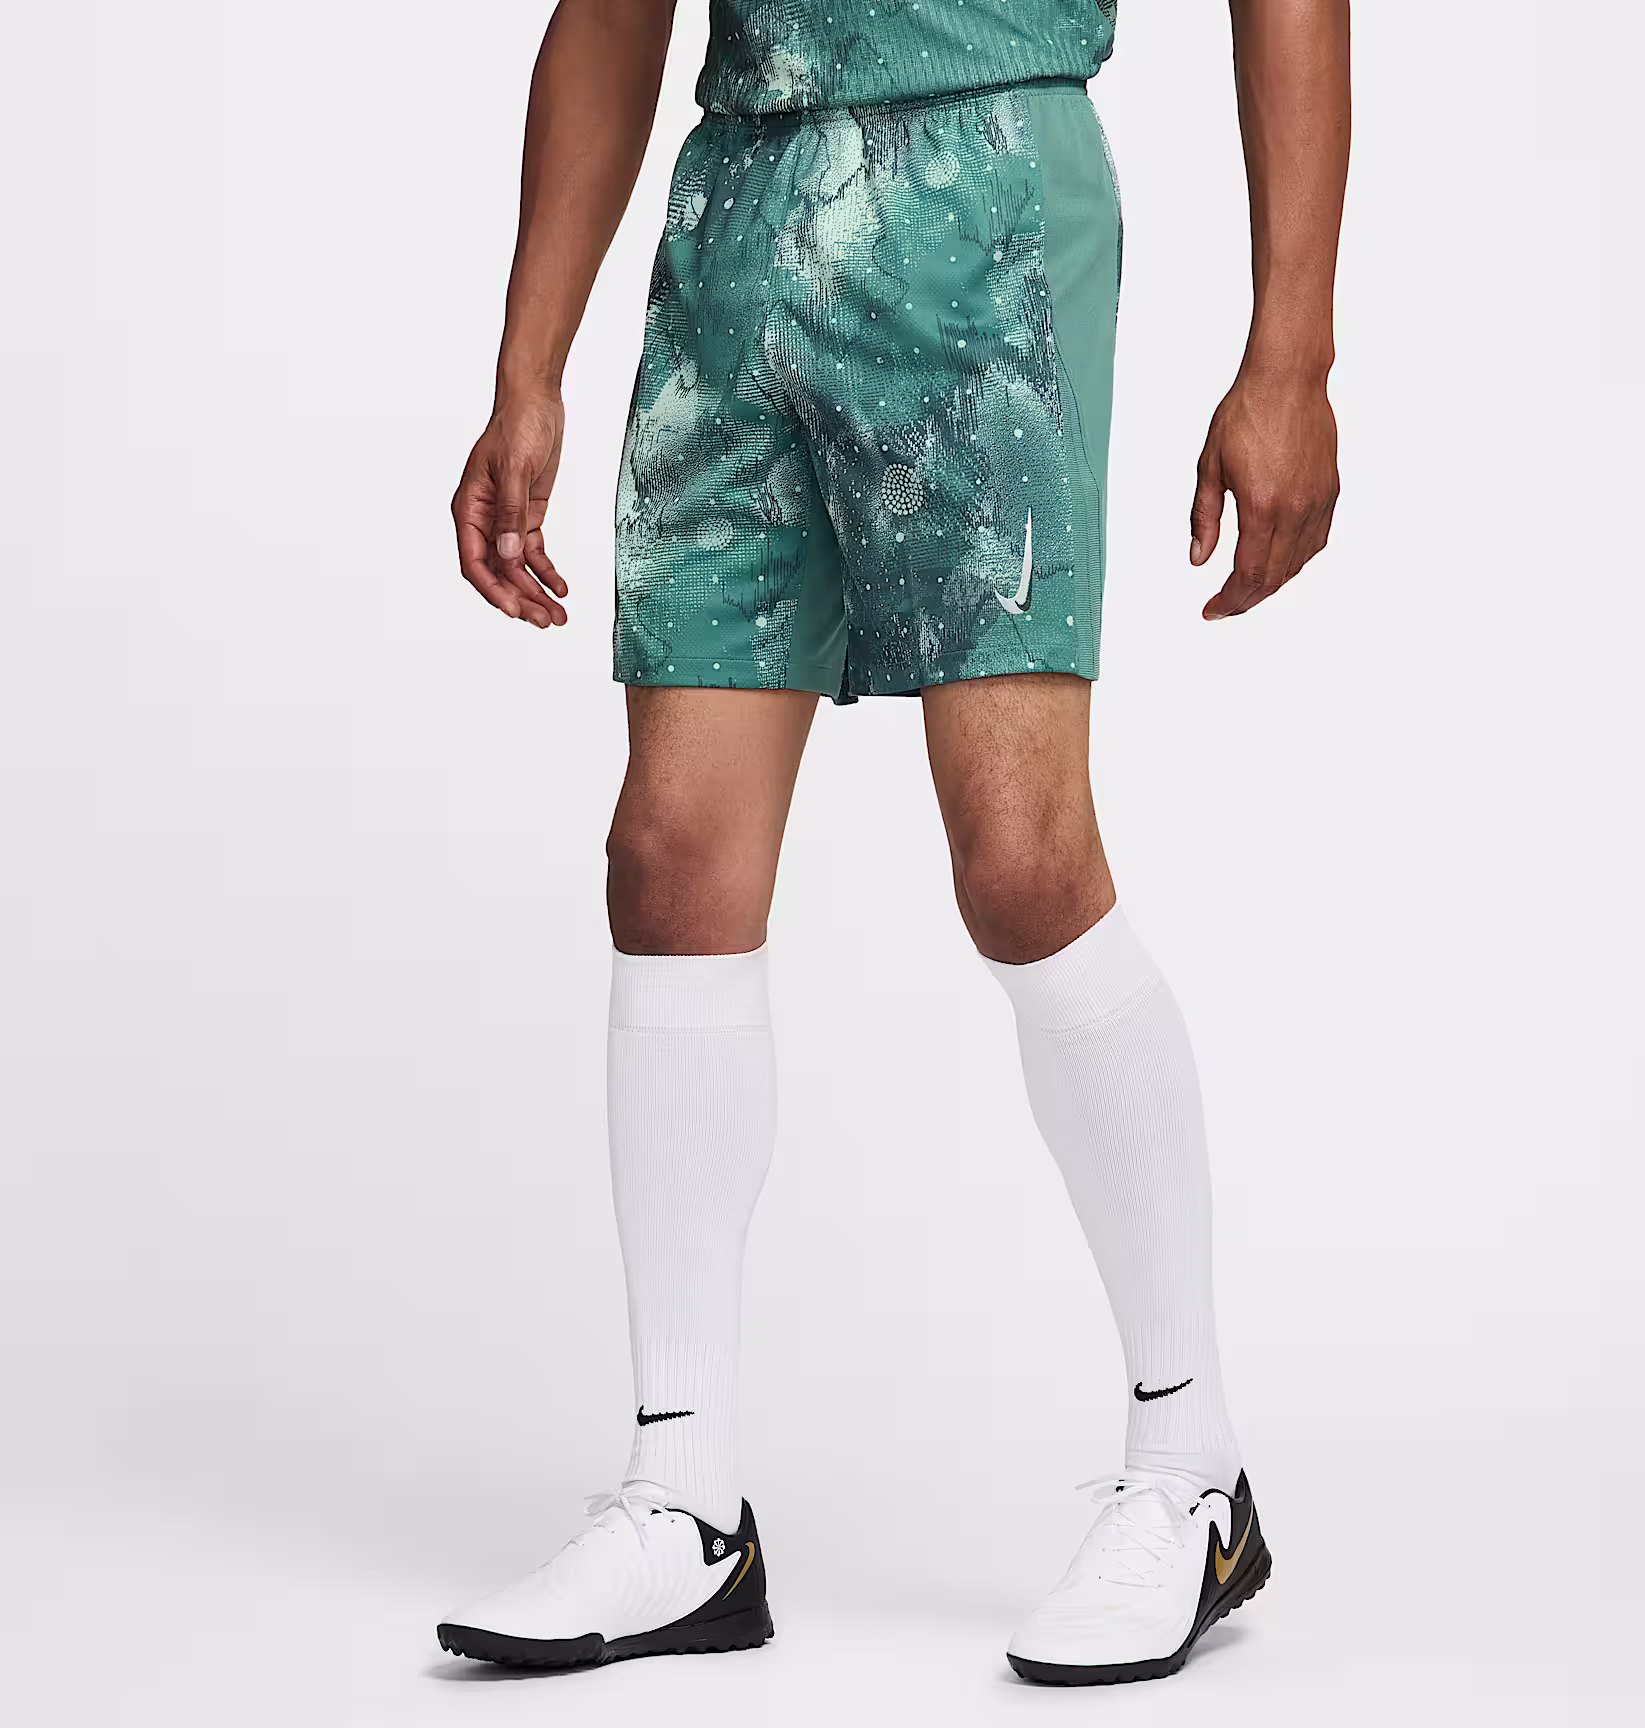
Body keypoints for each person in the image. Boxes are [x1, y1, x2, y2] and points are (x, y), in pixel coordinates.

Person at [436, 0, 1347, 1687]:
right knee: (669, 857)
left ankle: (1193, 1465)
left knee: (1022, 858)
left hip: (984, 190)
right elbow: (615, 10)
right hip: (736, 216)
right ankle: (685, 1499)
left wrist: (1291, 351)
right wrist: (526, 368)